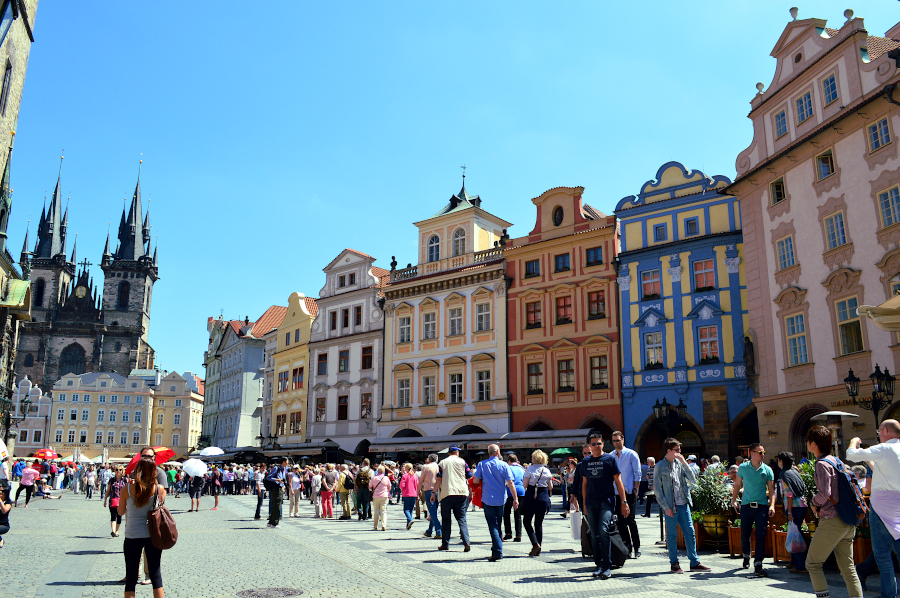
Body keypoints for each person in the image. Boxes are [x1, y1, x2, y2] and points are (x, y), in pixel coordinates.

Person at [805, 424, 863, 597]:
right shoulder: (837, 461)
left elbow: (824, 493)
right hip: (847, 519)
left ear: (813, 443)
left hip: (832, 520)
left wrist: (813, 502)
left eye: (808, 441)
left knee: (813, 564)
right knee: (848, 568)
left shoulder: (822, 464)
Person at [847, 420, 900, 598]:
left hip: (882, 506)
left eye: (879, 431)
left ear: (885, 431)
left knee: (883, 554)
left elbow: (851, 455)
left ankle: (888, 595)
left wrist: (854, 441)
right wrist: (869, 461)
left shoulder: (884, 448)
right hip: (898, 505)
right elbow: (884, 471)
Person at [655, 437, 711, 574]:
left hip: (684, 504)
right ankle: (674, 563)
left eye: (680, 450)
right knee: (672, 536)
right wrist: (665, 507)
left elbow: (693, 479)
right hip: (671, 506)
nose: (680, 452)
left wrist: (684, 462)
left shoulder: (680, 464)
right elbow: (657, 490)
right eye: (677, 450)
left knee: (690, 533)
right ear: (669, 451)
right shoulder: (659, 466)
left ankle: (694, 562)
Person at [578, 432, 631, 579]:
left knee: (603, 530)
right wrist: (583, 503)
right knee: (594, 535)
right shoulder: (585, 462)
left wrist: (624, 502)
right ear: (590, 445)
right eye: (593, 444)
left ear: (603, 444)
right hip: (591, 502)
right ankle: (599, 564)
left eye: (599, 443)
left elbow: (618, 482)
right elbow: (584, 484)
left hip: (606, 501)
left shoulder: (610, 459)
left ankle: (607, 565)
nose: (596, 446)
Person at [119, 457, 165, 598]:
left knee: (131, 577)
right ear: (153, 472)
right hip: (152, 535)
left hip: (132, 535)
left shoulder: (126, 489)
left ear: (137, 471)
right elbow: (159, 510)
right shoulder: (159, 489)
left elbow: (120, 512)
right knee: (155, 574)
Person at [732, 442, 776, 577]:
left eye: (763, 453)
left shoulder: (767, 470)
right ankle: (746, 555)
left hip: (762, 507)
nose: (763, 455)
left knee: (761, 535)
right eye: (760, 452)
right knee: (745, 534)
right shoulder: (743, 468)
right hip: (746, 506)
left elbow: (772, 490)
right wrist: (733, 500)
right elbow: (737, 485)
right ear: (752, 454)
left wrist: (772, 505)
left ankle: (758, 564)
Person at [473, 444, 518, 562]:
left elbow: (476, 480)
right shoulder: (504, 465)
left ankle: (497, 551)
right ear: (498, 452)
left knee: (492, 524)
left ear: (489, 452)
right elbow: (510, 483)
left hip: (487, 499)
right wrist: (515, 498)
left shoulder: (482, 464)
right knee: (498, 523)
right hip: (500, 499)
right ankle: (497, 547)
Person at [432, 445, 471, 552]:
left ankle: (445, 544)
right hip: (462, 493)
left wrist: (433, 493)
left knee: (446, 520)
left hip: (447, 493)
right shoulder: (463, 462)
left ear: (449, 453)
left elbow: (438, 479)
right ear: (457, 452)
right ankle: (466, 542)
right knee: (462, 519)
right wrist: (471, 492)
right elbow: (469, 476)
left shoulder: (443, 463)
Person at [611, 431, 642, 558]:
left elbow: (637, 473)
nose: (616, 443)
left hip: (629, 491)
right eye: (614, 441)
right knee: (621, 521)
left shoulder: (631, 454)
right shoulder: (611, 456)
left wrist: (635, 489)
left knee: (630, 519)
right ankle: (627, 547)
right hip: (616, 493)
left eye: (618, 440)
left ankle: (637, 546)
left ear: (623, 440)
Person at [776, 451, 807, 574]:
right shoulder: (795, 471)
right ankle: (794, 561)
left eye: (778, 460)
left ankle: (800, 565)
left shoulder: (784, 474)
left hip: (794, 507)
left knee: (796, 535)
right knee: (795, 532)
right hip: (802, 505)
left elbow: (789, 494)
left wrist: (789, 512)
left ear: (781, 461)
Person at [522, 449, 551, 557]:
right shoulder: (546, 470)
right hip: (543, 498)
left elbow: (524, 485)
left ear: (533, 459)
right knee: (538, 524)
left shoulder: (530, 469)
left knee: (526, 521)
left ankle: (535, 544)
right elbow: (550, 487)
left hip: (531, 499)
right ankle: (538, 548)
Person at [504, 453, 525, 542]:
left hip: (510, 492)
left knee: (506, 513)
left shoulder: (508, 468)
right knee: (518, 514)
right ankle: (518, 535)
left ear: (509, 461)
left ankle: (508, 533)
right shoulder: (522, 469)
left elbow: (506, 481)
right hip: (521, 491)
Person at [420, 454, 441, 538]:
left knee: (432, 512)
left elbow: (421, 479)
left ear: (429, 459)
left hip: (429, 490)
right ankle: (429, 531)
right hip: (438, 490)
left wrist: (418, 490)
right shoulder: (439, 466)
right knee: (434, 511)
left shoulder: (426, 467)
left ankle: (439, 530)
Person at [265, 458, 288, 528]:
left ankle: (270, 522)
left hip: (280, 487)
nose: (288, 463)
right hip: (276, 488)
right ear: (283, 462)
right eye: (287, 461)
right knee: (277, 505)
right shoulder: (276, 468)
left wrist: (283, 485)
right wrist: (277, 480)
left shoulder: (283, 469)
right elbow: (269, 477)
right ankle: (275, 523)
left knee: (277, 505)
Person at [104, 466, 126, 537]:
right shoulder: (111, 480)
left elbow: (127, 491)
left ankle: (116, 531)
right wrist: (105, 500)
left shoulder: (125, 480)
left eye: (120, 470)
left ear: (122, 471)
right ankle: (113, 531)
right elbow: (108, 491)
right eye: (116, 470)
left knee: (119, 516)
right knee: (113, 515)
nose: (118, 471)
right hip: (112, 500)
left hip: (121, 501)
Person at [369, 465, 391, 531]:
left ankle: (375, 526)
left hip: (376, 496)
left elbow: (369, 487)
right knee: (383, 511)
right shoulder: (386, 478)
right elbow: (389, 487)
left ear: (378, 471)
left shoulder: (374, 478)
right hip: (384, 495)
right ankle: (383, 525)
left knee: (376, 511)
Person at [400, 463, 419, 530]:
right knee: (410, 509)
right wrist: (418, 494)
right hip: (414, 493)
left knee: (406, 509)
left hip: (406, 493)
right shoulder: (415, 476)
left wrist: (401, 488)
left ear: (406, 468)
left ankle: (410, 519)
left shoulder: (405, 475)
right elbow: (417, 485)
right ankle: (408, 523)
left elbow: (402, 485)